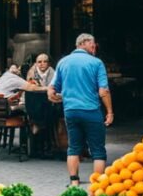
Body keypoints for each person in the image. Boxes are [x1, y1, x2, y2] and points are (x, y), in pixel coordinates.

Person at [48, 33, 113, 187]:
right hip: (91, 111)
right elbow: (103, 91)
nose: (95, 47)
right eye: (92, 44)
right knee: (98, 150)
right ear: (83, 43)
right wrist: (110, 111)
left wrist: (52, 94)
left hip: (70, 111)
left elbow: (52, 87)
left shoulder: (63, 62)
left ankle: (74, 182)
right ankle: (96, 183)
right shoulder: (96, 63)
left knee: (74, 147)